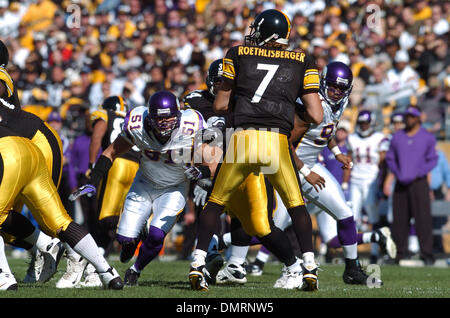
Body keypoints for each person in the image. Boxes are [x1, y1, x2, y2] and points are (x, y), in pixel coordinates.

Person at [214, 62, 388, 287]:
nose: (336, 92)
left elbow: (327, 128)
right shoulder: (309, 104)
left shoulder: (338, 104)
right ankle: (236, 255)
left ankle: (352, 269)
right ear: (324, 83)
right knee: (269, 227)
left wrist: (336, 153)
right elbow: (284, 141)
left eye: (341, 89)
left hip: (309, 166)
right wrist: (305, 172)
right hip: (284, 167)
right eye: (333, 87)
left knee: (345, 214)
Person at [186, 9, 324, 292]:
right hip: (276, 142)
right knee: (296, 204)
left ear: (266, 32)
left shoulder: (238, 53)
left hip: (242, 139)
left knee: (215, 202)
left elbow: (221, 105)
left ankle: (198, 262)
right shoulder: (303, 60)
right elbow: (317, 115)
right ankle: (309, 266)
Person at [70, 90, 206, 287]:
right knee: (124, 239)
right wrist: (94, 179)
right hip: (144, 183)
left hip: (174, 187)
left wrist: (204, 172)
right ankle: (133, 239)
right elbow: (111, 152)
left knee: (157, 235)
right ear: (149, 117)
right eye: (159, 119)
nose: (164, 123)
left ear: (178, 115)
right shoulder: (137, 125)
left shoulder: (192, 124)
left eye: (168, 118)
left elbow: (212, 152)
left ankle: (135, 270)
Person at [0, 125, 124, 290]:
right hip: (32, 150)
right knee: (62, 222)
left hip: (8, 154)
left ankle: (5, 277)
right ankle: (109, 273)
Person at [57, 95, 141, 288]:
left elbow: (96, 138)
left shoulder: (104, 114)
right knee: (122, 212)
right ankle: (120, 240)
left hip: (116, 164)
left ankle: (97, 261)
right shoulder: (130, 117)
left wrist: (92, 165)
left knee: (103, 217)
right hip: (136, 166)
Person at [385, 106, 438, 265]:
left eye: (412, 117)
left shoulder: (427, 137)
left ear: (418, 119)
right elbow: (390, 158)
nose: (408, 119)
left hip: (419, 183)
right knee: (399, 221)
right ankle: (398, 254)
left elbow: (432, 159)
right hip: (401, 183)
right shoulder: (397, 137)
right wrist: (397, 172)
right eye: (407, 116)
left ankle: (427, 254)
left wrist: (419, 172)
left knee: (423, 220)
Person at [344, 110, 390, 263]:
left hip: (371, 181)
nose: (363, 126)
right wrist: (345, 182)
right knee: (353, 216)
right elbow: (348, 161)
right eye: (361, 123)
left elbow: (384, 163)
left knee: (372, 214)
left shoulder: (380, 138)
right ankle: (352, 254)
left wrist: (382, 183)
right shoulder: (352, 138)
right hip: (356, 180)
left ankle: (375, 252)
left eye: (366, 123)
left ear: (371, 123)